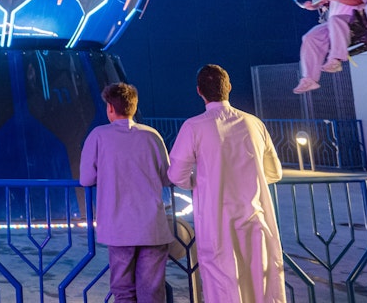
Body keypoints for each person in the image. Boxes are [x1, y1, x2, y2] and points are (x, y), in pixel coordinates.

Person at [169, 65, 285, 303]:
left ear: (199, 91)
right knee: (260, 281)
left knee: (223, 284)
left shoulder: (193, 127)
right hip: (255, 216)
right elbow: (274, 172)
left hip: (216, 221)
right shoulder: (254, 123)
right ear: (229, 87)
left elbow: (177, 174)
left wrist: (196, 182)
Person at [79, 83, 173, 303]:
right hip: (152, 227)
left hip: (118, 227)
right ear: (134, 106)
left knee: (123, 292)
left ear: (111, 108)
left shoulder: (98, 136)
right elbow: (168, 177)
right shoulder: (152, 135)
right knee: (152, 292)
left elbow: (86, 179)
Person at [292, 0, 367, 94]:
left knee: (336, 20)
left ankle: (335, 59)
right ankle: (309, 79)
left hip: (353, 22)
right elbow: (319, 0)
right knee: (310, 37)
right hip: (333, 23)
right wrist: (312, 5)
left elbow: (357, 1)